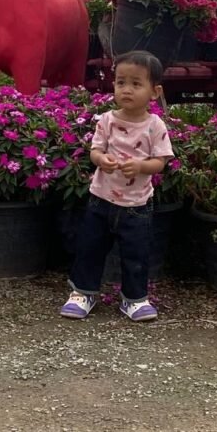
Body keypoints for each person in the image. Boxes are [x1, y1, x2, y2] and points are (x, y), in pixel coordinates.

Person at [60, 50, 174, 322]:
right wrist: (102, 160)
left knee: (136, 253)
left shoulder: (155, 125)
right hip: (101, 199)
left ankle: (134, 299)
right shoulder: (107, 120)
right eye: (121, 82)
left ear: (154, 91)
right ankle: (83, 293)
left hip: (137, 205)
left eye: (136, 84)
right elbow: (94, 151)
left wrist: (141, 166)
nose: (127, 89)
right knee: (90, 247)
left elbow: (160, 161)